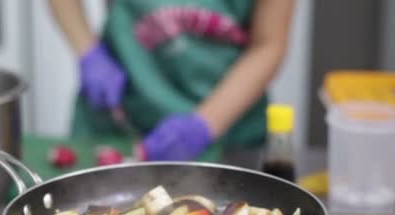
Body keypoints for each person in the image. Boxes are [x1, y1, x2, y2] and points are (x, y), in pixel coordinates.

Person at [48, 0, 294, 161]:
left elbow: (269, 44)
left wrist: (205, 124)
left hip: (229, 136)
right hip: (121, 121)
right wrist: (88, 51)